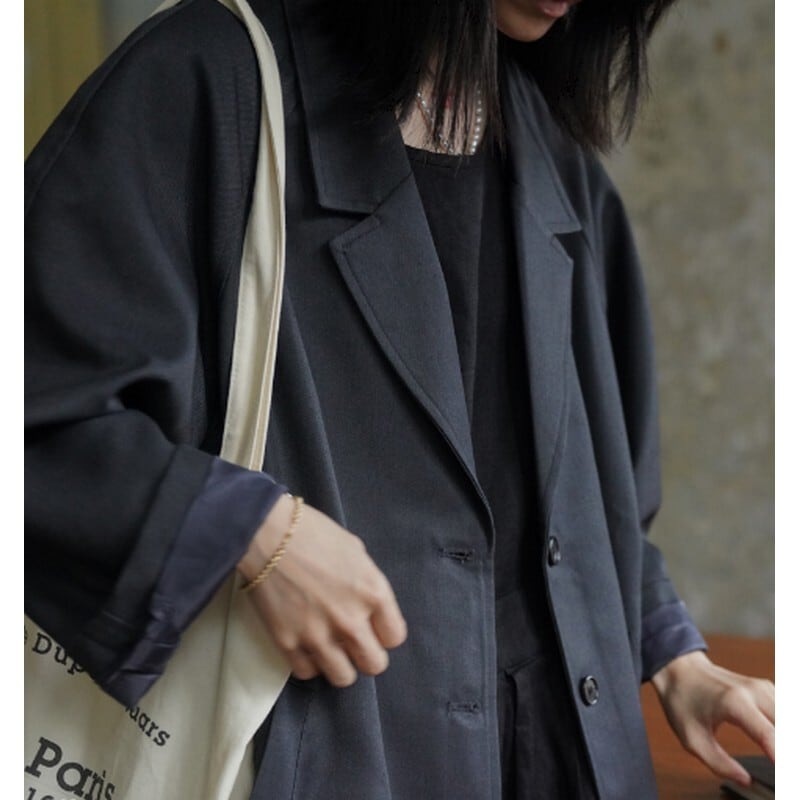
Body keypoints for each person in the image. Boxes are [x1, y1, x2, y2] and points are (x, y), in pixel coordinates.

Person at [24, 0, 775, 797]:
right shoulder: (210, 78)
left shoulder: (545, 138)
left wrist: (674, 653)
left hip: (569, 756)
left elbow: (593, 492)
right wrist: (252, 531)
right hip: (333, 758)